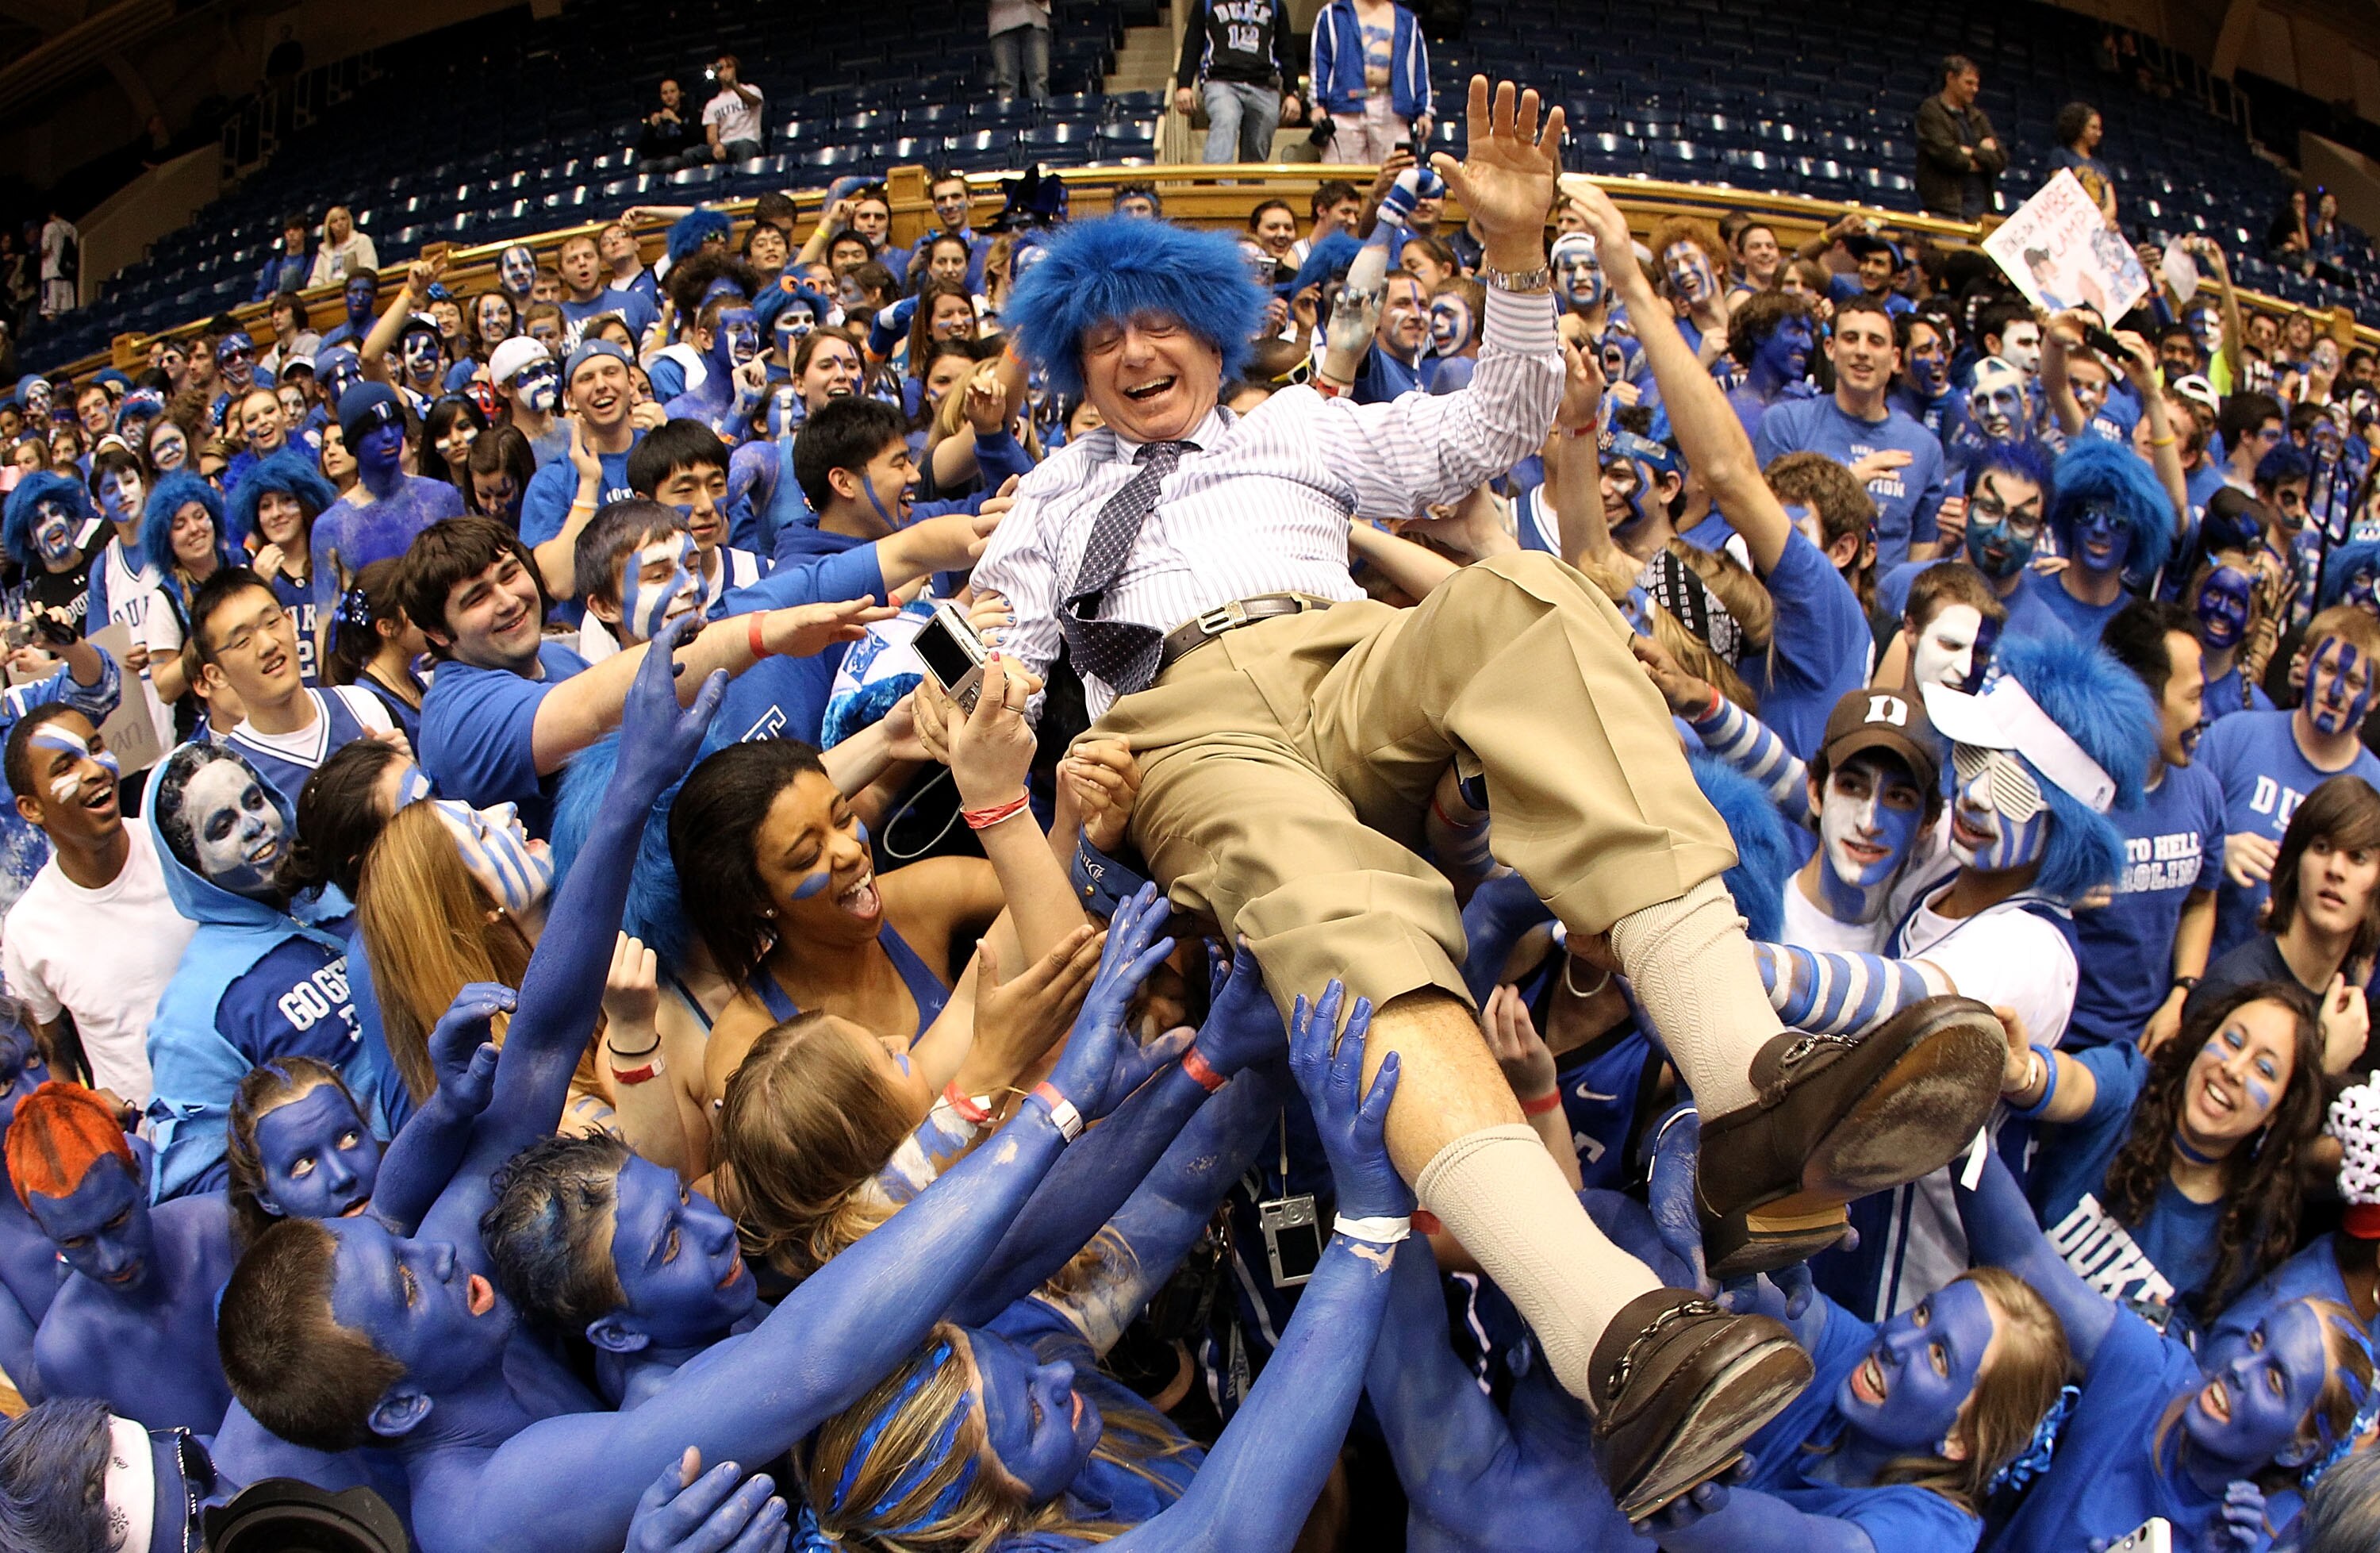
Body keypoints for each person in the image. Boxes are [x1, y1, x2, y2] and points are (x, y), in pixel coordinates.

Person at [972, 89, 2006, 1514]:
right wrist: (1012, 731)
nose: (1138, 350)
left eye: (1163, 322)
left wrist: (1514, 261)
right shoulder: (1039, 507)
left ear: (1215, 335)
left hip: (1346, 654)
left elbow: (1497, 429)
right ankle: (1617, 1338)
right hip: (1187, 724)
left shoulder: (1298, 431)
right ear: (1072, 364)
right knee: (1338, 898)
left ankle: (1748, 1086)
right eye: (1104, 333)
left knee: (1525, 590)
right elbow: (981, 677)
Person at [1956, 1134, 2375, 1553]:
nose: (2238, 1368)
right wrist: (1962, 1130)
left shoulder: (2247, 1540)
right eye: (2255, 1340)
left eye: (2274, 1380)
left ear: (2296, 1448)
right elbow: (2022, 1256)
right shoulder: (2148, 1370)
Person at [404, 513, 886, 837]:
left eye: (509, 575)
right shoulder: (457, 718)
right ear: (436, 633)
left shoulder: (559, 660)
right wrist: (764, 634)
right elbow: (592, 708)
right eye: (476, 598)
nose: (508, 601)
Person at [10, 1080, 236, 1431]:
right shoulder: (69, 1351)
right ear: (40, 1226)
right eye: (76, 1242)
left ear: (140, 1174)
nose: (112, 1259)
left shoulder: (228, 1230)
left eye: (117, 1221)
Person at [2, 706, 194, 1105]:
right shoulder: (28, 929)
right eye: (65, 766)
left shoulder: (181, 848)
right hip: (152, 1147)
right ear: (31, 808)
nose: (94, 770)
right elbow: (54, 1056)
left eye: (96, 748)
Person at [2078, 600, 2226, 1059]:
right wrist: (2051, 896)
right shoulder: (2067, 790)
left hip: (2146, 1046)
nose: (2205, 714)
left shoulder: (2202, 791)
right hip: (2057, 1041)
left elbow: (2202, 900)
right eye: (2194, 696)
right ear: (2140, 697)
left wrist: (2181, 994)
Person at [2199, 606, 2380, 963]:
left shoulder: (2374, 791)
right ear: (2303, 666)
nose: (2337, 690)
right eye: (2328, 669)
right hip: (2206, 973)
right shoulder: (2234, 738)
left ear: (2374, 699)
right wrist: (2217, 851)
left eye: (2356, 682)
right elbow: (2169, 833)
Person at [1754, 295, 1947, 572]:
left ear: (1895, 360)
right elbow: (1764, 523)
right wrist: (1848, 484)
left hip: (1884, 609)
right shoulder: (1786, 422)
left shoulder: (1925, 447)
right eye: (1850, 338)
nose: (1862, 351)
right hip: (1802, 591)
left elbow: (1922, 551)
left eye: (1875, 342)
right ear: (1830, 348)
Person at [193, 568, 403, 812]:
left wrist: (405, 774)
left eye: (272, 623)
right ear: (215, 675)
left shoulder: (360, 705)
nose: (268, 645)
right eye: (242, 641)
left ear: (291, 624)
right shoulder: (235, 772)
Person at [311, 384, 466, 612]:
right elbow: (327, 619)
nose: (387, 437)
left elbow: (470, 576)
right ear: (353, 441)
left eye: (393, 424)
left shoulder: (440, 498)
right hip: (377, 639)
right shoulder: (331, 527)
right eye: (373, 429)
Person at [228, 448, 339, 684]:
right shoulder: (249, 575)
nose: (276, 514)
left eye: (287, 501)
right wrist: (258, 586)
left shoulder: (332, 563)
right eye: (265, 506)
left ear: (306, 503)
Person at [1175, 0, 1299, 163]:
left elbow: (1286, 50)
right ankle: (1216, 185)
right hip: (1221, 80)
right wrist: (1184, 85)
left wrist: (1293, 92)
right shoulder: (1207, 2)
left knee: (1257, 148)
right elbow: (1192, 43)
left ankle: (1251, 189)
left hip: (1264, 84)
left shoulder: (1274, 4)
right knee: (1226, 120)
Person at [1312, 0, 1431, 165]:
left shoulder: (1406, 19)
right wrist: (1318, 104)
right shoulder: (1333, 14)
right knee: (1339, 182)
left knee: (1398, 177)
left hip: (1391, 106)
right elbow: (1320, 61)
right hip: (1345, 107)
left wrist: (1423, 111)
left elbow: (1418, 67)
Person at [2049, 101, 2117, 225]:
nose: (2099, 133)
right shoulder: (2061, 155)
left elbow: (2111, 206)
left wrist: (2099, 220)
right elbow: (2060, 190)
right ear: (2080, 128)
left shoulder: (2101, 166)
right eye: (2093, 127)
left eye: (2100, 129)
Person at [988, 0, 1051, 103]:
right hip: (1000, 20)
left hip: (1035, 17)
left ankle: (1041, 117)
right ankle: (1009, 118)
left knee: (1039, 82)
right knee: (1006, 83)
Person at [636, 79, 705, 172]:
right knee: (644, 166)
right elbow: (642, 149)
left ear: (680, 93)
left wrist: (677, 121)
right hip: (659, 158)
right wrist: (651, 127)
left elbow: (697, 138)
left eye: (672, 91)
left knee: (670, 163)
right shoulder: (656, 116)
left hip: (680, 157)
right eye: (665, 93)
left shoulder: (691, 114)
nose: (669, 96)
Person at [307, 206, 380, 290]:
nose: (340, 223)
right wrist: (316, 288)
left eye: (343, 219)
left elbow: (369, 268)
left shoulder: (362, 240)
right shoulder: (324, 250)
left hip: (355, 289)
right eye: (335, 221)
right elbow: (316, 278)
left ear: (349, 221)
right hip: (329, 293)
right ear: (329, 227)